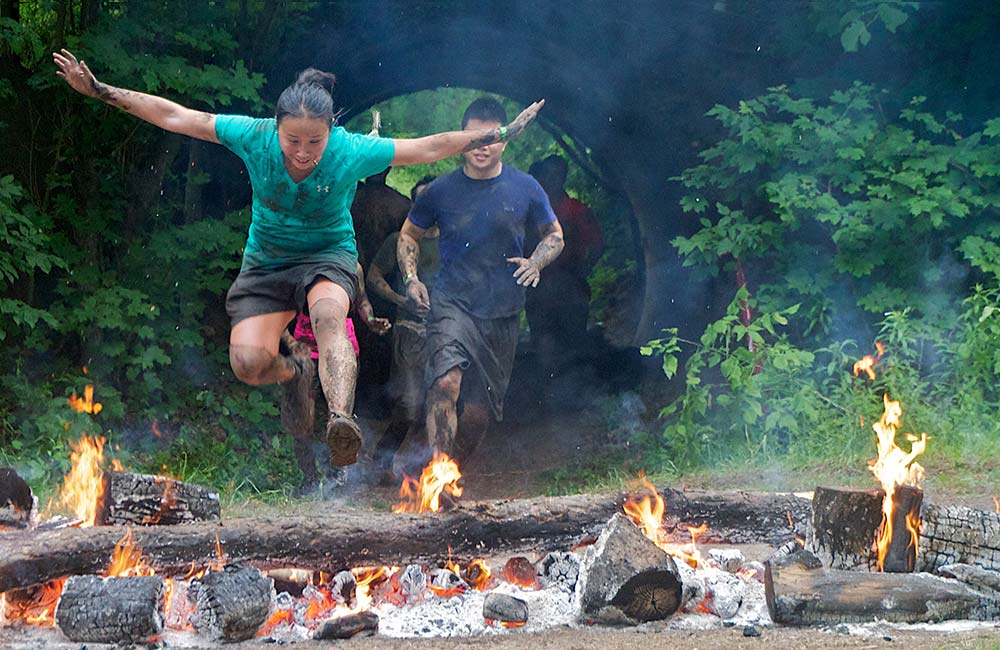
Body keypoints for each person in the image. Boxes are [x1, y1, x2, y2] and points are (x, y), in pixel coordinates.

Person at [53, 49, 545, 471]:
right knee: (248, 363)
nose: (305, 152)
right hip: (267, 260)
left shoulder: (350, 150)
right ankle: (297, 372)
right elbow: (180, 116)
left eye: (316, 141)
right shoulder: (253, 136)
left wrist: (497, 133)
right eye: (294, 141)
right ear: (276, 129)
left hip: (328, 253)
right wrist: (99, 90)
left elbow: (429, 146)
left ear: (331, 132)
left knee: (330, 315)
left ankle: (340, 419)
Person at [398, 98, 565, 464]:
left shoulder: (526, 188)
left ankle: (452, 469)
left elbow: (554, 234)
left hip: (502, 310)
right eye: (473, 135)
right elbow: (408, 235)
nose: (482, 144)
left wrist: (536, 262)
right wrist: (412, 279)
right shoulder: (440, 190)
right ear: (461, 139)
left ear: (504, 141)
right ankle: (438, 476)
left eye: (490, 136)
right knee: (445, 384)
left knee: (476, 416)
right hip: (451, 302)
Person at [289, 264, 389, 488]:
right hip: (304, 351)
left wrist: (371, 320)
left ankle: (337, 478)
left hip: (341, 352)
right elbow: (275, 310)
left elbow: (361, 301)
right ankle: (309, 479)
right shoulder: (298, 260)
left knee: (339, 417)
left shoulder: (353, 266)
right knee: (303, 419)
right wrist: (291, 343)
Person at [366, 176, 439, 481]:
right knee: (409, 405)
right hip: (409, 329)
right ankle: (382, 458)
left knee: (439, 401)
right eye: (421, 200)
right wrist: (399, 299)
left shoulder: (453, 241)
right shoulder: (399, 240)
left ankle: (426, 469)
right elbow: (373, 276)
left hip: (446, 330)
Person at [526, 155, 604, 373]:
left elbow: (598, 243)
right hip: (538, 284)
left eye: (556, 175)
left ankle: (579, 384)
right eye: (547, 175)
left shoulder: (576, 210)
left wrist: (584, 269)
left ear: (563, 178)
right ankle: (549, 387)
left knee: (574, 337)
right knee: (543, 337)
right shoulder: (529, 211)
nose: (551, 179)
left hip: (570, 282)